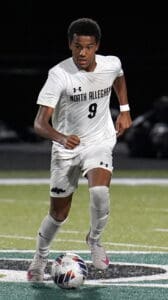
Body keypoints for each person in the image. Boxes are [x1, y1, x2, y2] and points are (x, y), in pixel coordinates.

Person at [27, 17, 132, 282]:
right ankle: (39, 259)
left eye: (88, 47)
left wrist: (125, 110)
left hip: (99, 141)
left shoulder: (111, 63)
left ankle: (94, 240)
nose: (82, 53)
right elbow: (40, 123)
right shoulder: (59, 74)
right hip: (66, 149)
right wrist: (60, 137)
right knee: (59, 214)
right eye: (77, 46)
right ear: (70, 45)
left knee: (99, 191)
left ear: (97, 46)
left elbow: (118, 77)